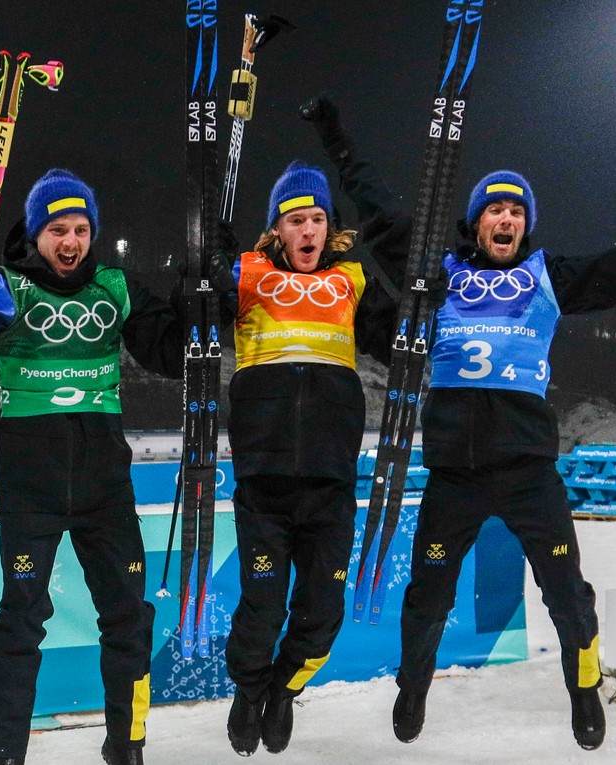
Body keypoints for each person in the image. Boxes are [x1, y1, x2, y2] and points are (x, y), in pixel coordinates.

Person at [300, 95, 616, 752]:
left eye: (517, 210)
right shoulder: (436, 275)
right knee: (428, 598)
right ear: (476, 223)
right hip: (454, 474)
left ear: (525, 225)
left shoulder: (547, 275)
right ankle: (413, 684)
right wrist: (336, 135)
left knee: (570, 597)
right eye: (496, 209)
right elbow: (381, 213)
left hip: (529, 471)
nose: (507, 217)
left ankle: (583, 687)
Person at [0, 169, 184, 765]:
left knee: (128, 617)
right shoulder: (8, 287)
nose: (70, 243)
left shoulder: (115, 286)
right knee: (21, 618)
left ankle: (127, 745)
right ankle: (8, 753)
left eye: (80, 229)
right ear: (37, 233)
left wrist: (197, 299)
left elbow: (171, 355)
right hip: (30, 484)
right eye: (57, 230)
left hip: (105, 486)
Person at [216, 160, 403, 757]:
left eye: (317, 219)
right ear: (276, 230)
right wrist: (205, 268)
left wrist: (420, 302)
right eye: (296, 219)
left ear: (329, 229)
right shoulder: (247, 276)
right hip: (265, 484)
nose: (308, 229)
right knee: (262, 610)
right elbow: (186, 316)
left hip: (329, 485)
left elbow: (397, 341)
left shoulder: (351, 282)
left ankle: (283, 688)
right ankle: (249, 691)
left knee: (322, 616)